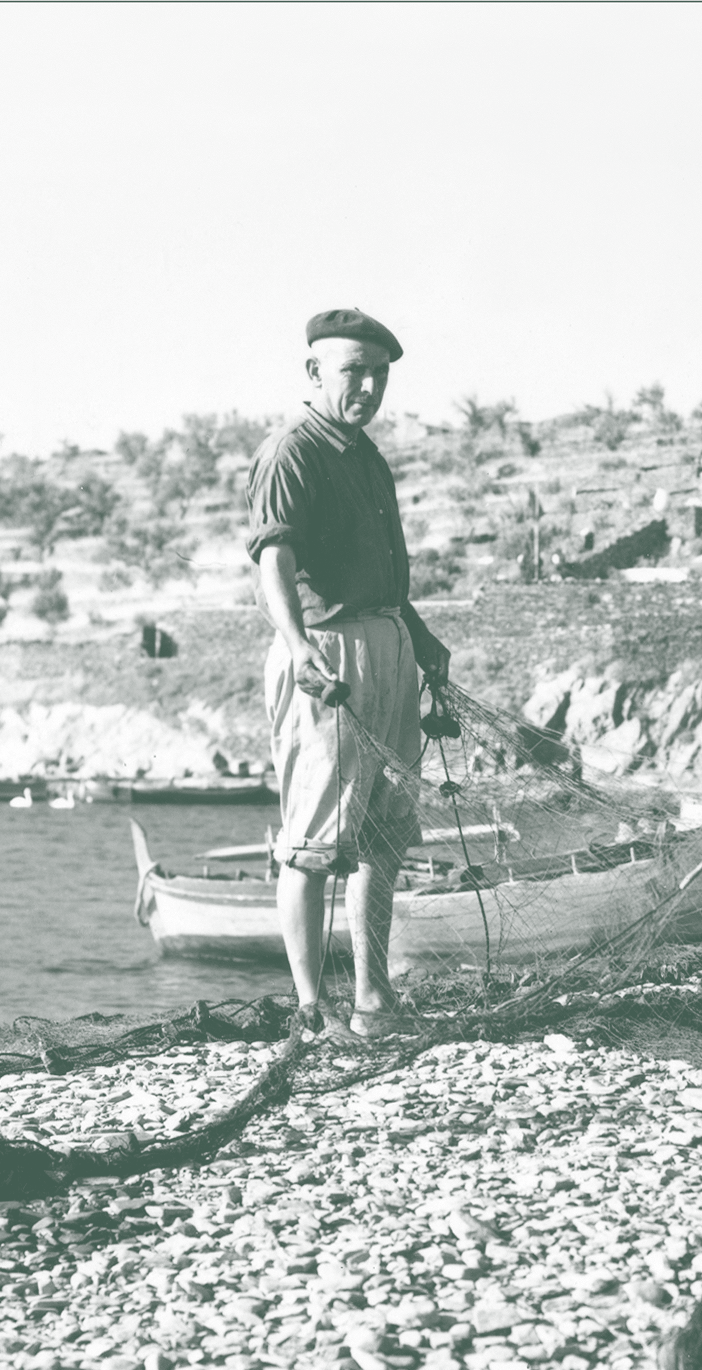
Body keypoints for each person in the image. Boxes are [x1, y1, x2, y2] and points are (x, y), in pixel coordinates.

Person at [246, 307, 452, 1041]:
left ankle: (373, 997)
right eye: (352, 370)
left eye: (378, 373)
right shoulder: (292, 451)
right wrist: (298, 647)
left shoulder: (367, 456)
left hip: (388, 644)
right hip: (327, 651)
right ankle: (309, 1008)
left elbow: (389, 579)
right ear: (314, 373)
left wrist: (421, 639)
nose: (366, 385)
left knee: (382, 834)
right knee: (310, 839)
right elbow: (274, 557)